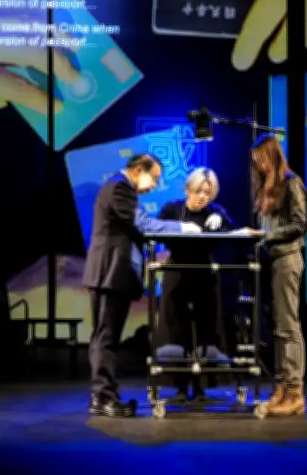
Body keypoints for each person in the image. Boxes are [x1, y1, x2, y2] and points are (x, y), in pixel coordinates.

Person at [82, 153, 202, 417]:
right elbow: (144, 225)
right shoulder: (120, 188)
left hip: (113, 273)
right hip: (109, 272)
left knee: (106, 337)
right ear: (138, 170)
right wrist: (183, 228)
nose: (155, 185)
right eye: (154, 179)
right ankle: (103, 397)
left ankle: (103, 395)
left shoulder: (120, 188)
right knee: (105, 338)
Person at [155, 168, 236, 402]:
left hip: (204, 275)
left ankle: (201, 387)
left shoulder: (215, 211)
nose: (202, 197)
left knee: (205, 330)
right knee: (176, 329)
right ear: (188, 190)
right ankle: (180, 386)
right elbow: (156, 232)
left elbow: (233, 232)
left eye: (207, 193)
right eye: (199, 191)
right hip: (177, 273)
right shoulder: (172, 209)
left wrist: (221, 221)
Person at [249, 135, 307, 416]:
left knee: (288, 326)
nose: (258, 166)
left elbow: (299, 224)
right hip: (272, 261)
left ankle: (295, 392)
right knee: (277, 328)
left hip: (287, 259)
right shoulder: (267, 188)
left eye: (260, 159)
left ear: (270, 156)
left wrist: (268, 236)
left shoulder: (291, 183)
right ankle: (281, 388)